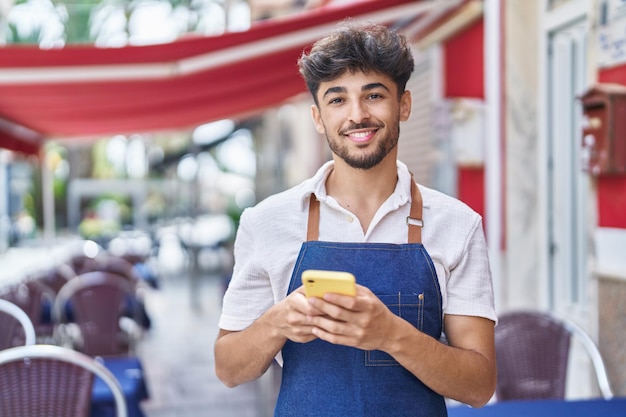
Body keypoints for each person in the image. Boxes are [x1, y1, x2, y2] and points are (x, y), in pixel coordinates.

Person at [214, 22, 497, 416]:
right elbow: (228, 369)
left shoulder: (457, 224)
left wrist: (392, 335)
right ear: (317, 117)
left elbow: (480, 386)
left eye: (374, 95)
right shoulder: (266, 222)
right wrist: (275, 323)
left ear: (404, 105)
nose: (357, 115)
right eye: (337, 99)